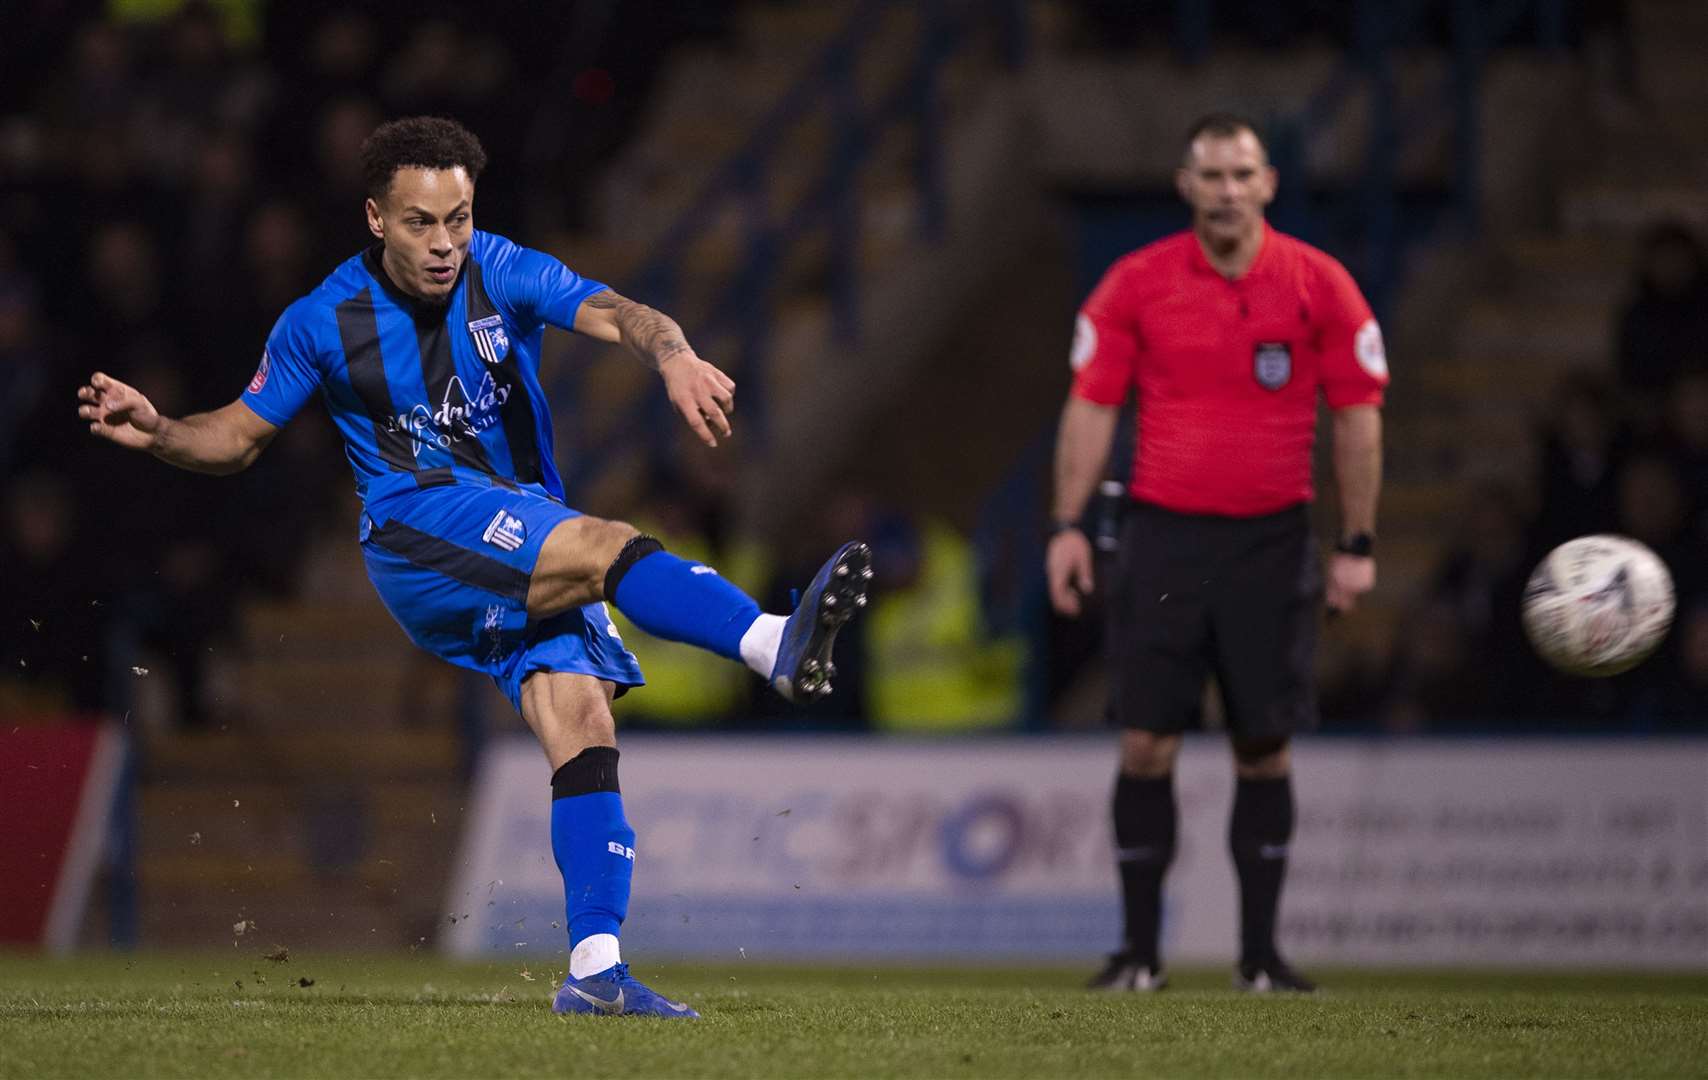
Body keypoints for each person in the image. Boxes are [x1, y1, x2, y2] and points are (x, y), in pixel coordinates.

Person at [77, 116, 871, 1019]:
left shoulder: (500, 267)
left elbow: (621, 312)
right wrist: (163, 432)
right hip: (418, 532)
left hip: (517, 526)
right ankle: (773, 643)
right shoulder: (321, 320)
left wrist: (675, 355)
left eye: (458, 216)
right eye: (422, 222)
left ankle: (596, 972)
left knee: (582, 723)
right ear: (375, 218)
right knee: (608, 544)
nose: (446, 241)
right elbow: (237, 438)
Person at [1045, 114, 1387, 993]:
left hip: (1274, 543)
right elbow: (1092, 405)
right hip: (1161, 542)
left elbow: (1357, 416)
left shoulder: (1320, 285)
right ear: (1186, 185)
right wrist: (1068, 525)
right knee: (1147, 743)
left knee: (1263, 749)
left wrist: (1355, 541)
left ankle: (1262, 959)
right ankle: (1136, 956)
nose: (1228, 191)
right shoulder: (1137, 283)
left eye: (1243, 174)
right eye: (1212, 175)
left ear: (1268, 182)